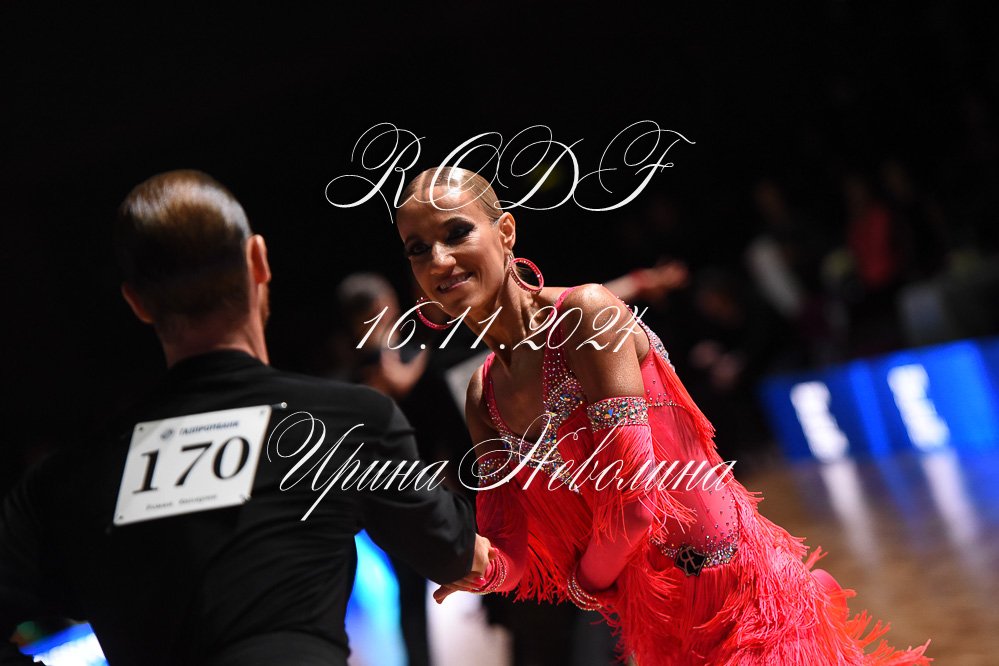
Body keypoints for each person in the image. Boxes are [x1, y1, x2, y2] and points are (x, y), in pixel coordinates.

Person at [395, 167, 932, 665]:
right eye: (418, 249)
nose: (438, 260)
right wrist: (474, 566)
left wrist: (584, 589)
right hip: (657, 628)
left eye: (457, 233)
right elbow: (508, 545)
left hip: (741, 598)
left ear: (506, 232)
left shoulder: (585, 315)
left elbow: (633, 506)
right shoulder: (482, 396)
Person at [0, 170, 488, 666]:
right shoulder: (347, 422)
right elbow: (457, 554)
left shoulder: (64, 482)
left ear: (138, 302)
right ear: (258, 260)